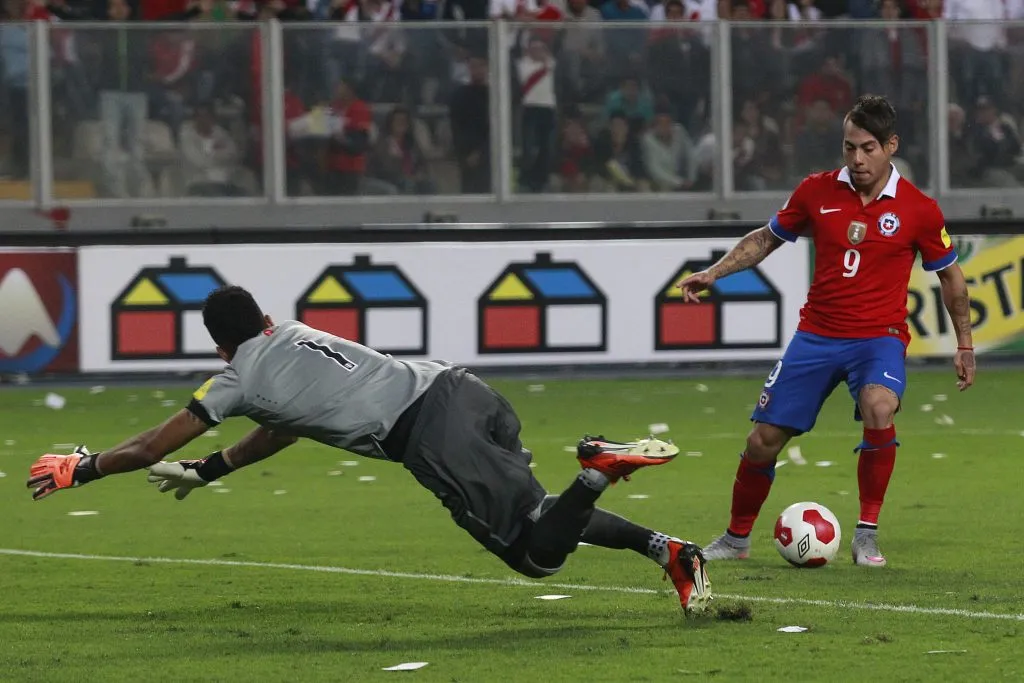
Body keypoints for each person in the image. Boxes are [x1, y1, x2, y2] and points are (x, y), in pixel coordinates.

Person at [26, 285, 712, 614]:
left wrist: (81, 467)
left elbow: (151, 444)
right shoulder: (290, 330)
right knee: (537, 510)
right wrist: (210, 469)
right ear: (264, 317)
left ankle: (596, 471)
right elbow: (286, 422)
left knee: (533, 555)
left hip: (429, 434)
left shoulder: (234, 377)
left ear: (217, 346)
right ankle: (671, 551)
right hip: (463, 389)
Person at [676, 94, 976, 568]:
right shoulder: (816, 191)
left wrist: (964, 342)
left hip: (879, 337)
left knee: (879, 406)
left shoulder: (919, 209)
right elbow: (766, 238)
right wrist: (715, 272)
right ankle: (735, 540)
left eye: (868, 148)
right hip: (816, 336)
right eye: (849, 147)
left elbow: (952, 278)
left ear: (891, 146)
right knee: (762, 442)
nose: (857, 159)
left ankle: (866, 534)